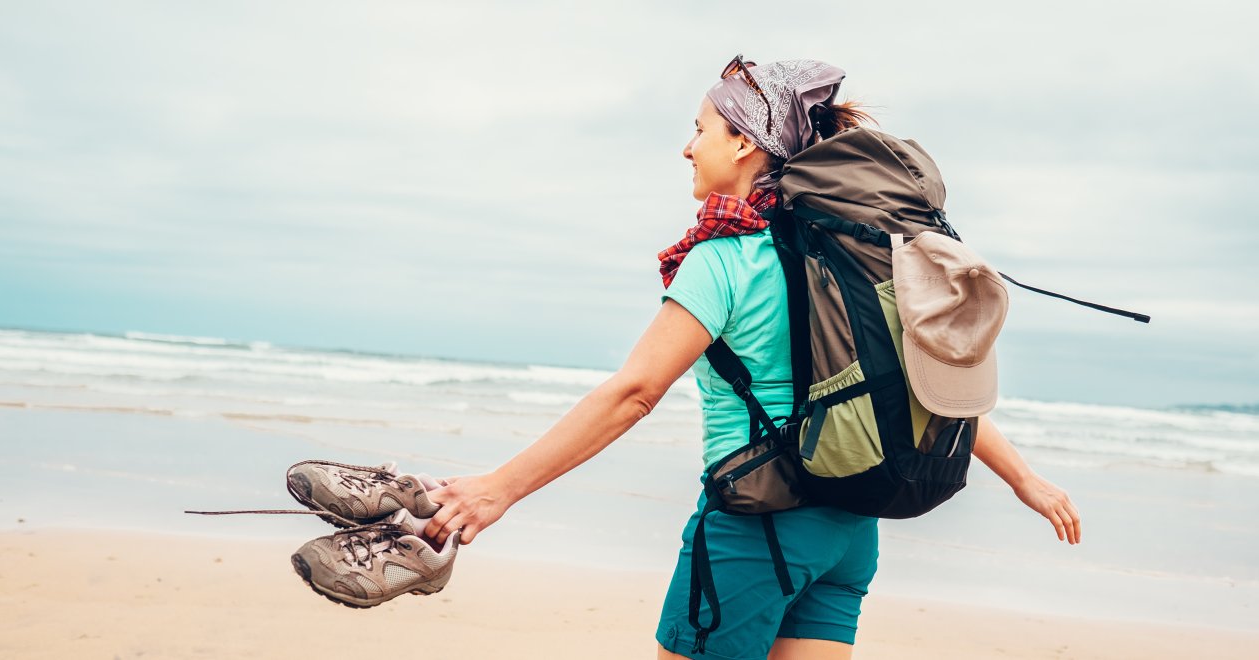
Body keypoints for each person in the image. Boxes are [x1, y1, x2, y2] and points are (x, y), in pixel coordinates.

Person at [421, 56, 1081, 660]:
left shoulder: (725, 258)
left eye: (700, 129)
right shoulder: (851, 255)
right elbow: (912, 382)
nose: (687, 146)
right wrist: (1025, 478)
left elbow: (635, 392)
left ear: (742, 142)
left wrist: (497, 489)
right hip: (849, 532)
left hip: (757, 522)